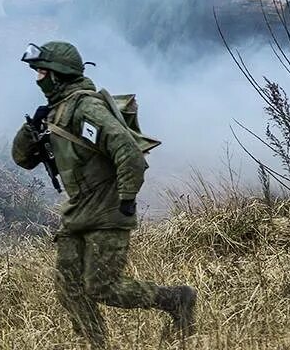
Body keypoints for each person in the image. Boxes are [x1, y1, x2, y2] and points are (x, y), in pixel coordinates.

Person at [11, 41, 196, 348]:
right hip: (78, 211)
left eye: (43, 72)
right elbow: (24, 160)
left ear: (58, 75)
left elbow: (128, 152)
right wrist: (30, 131)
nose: (38, 79)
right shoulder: (57, 111)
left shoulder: (86, 108)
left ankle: (177, 299)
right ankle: (97, 345)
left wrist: (125, 199)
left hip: (108, 210)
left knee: (103, 287)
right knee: (68, 287)